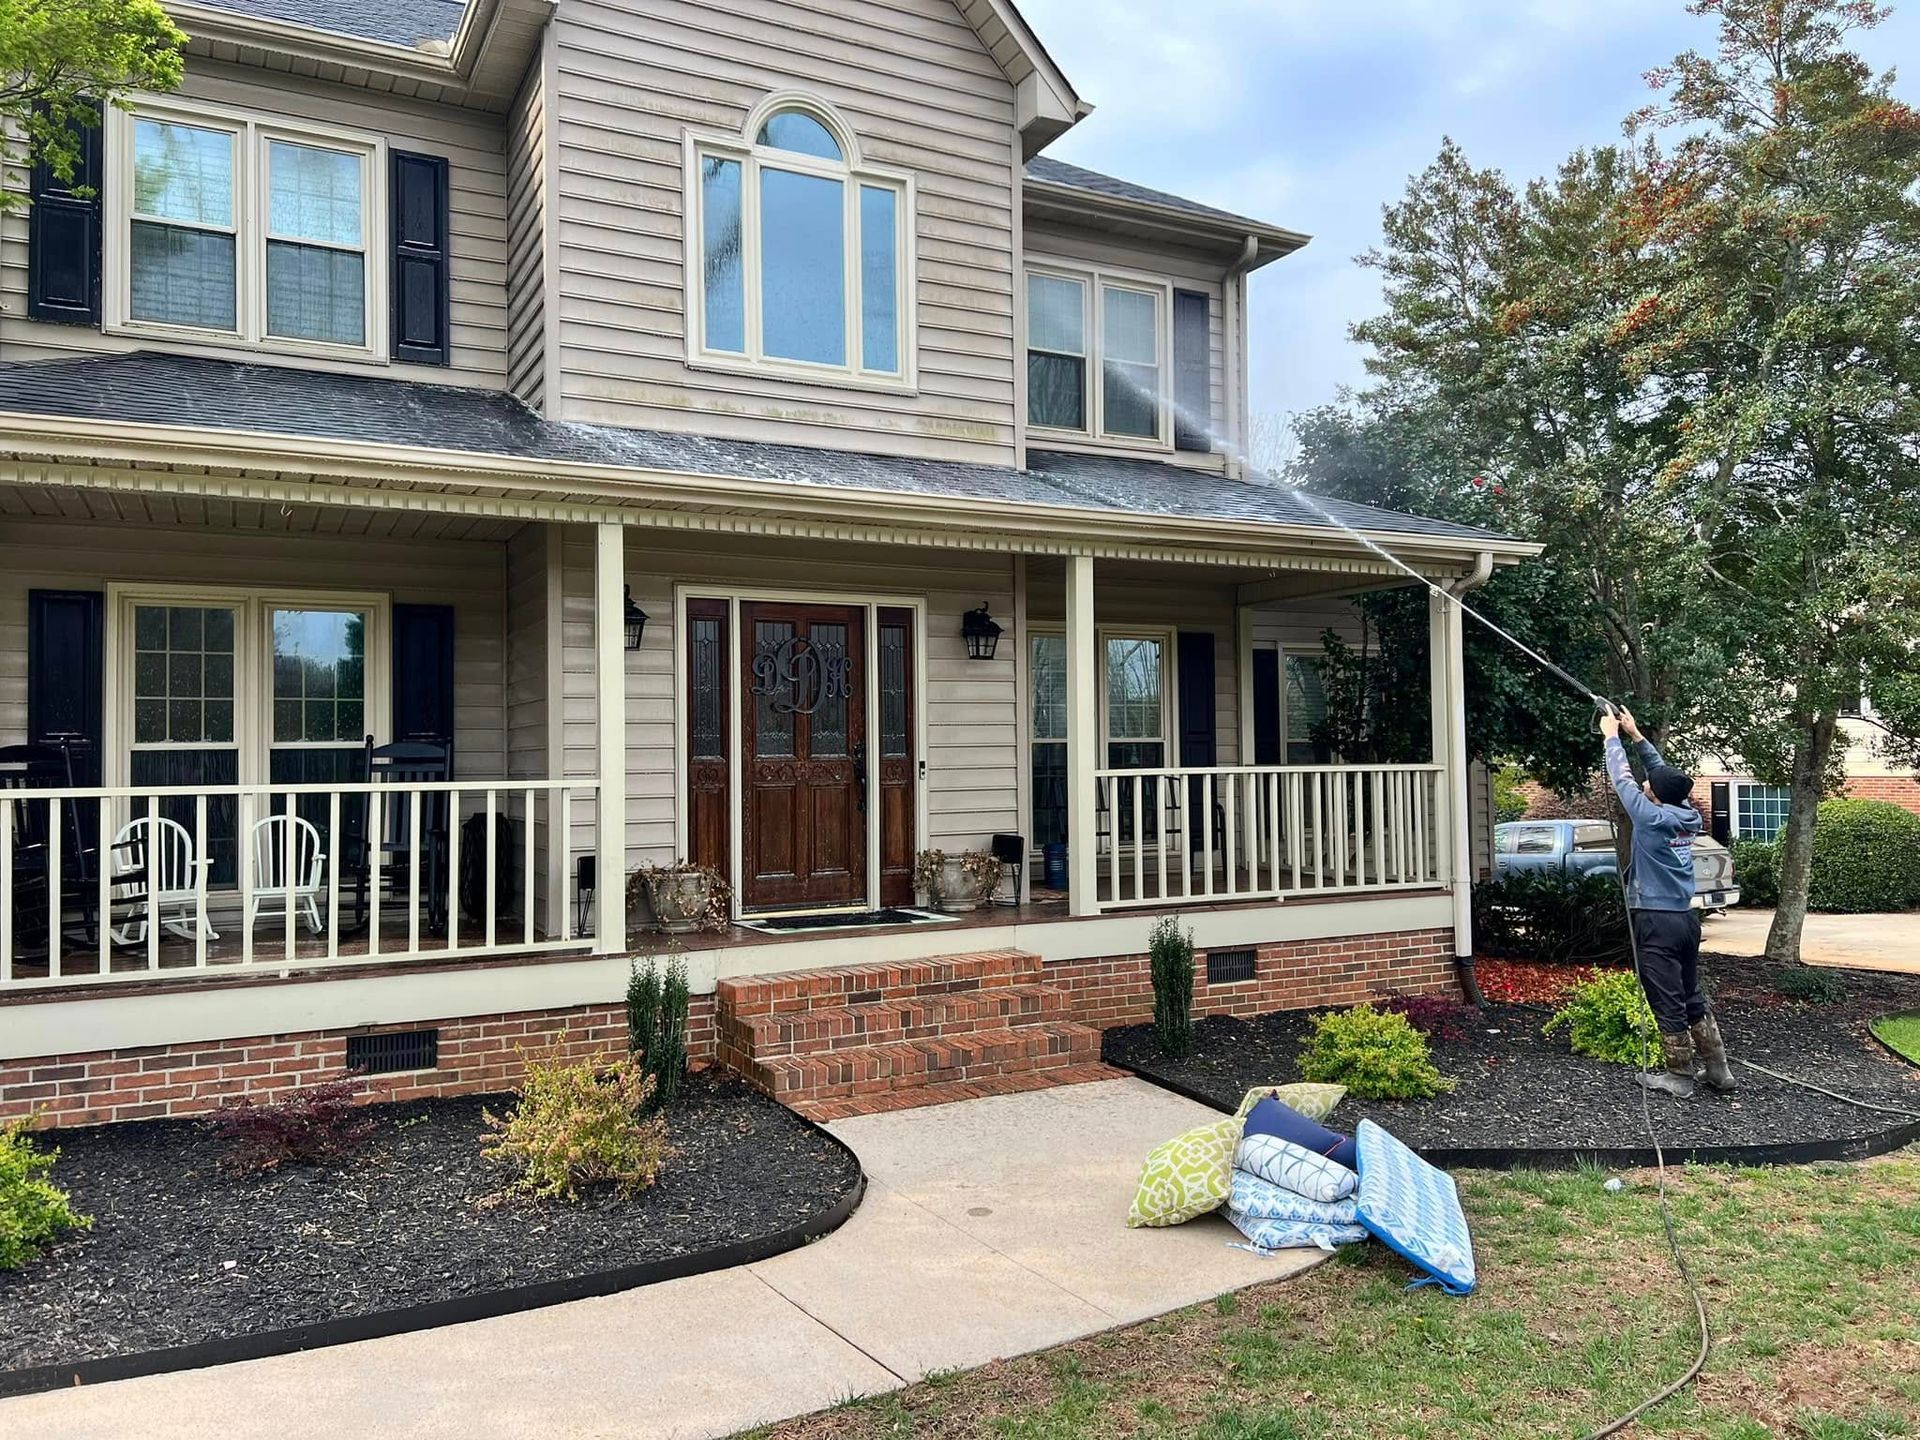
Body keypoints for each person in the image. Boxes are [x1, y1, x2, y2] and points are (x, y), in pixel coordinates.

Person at [1598, 707, 1736, 1098]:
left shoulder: (1650, 817)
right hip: (1685, 919)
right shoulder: (1685, 813)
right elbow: (1665, 775)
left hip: (1655, 922)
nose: (1644, 785)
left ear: (1654, 795)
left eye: (1649, 785)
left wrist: (1611, 737)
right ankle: (1718, 1069)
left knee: (1666, 997)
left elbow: (1622, 780)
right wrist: (1636, 735)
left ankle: (1678, 1076)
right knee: (1691, 993)